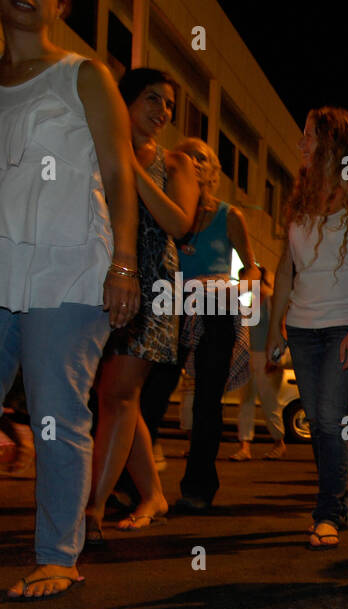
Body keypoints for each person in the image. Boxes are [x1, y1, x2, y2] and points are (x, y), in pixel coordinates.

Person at [1, 0, 139, 598]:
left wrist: (125, 264)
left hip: (68, 265)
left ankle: (57, 553)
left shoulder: (84, 74)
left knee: (56, 410)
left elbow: (119, 170)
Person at [84, 68, 198, 537]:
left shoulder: (175, 164)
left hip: (154, 286)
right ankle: (152, 492)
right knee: (111, 397)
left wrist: (130, 167)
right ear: (124, 102)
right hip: (97, 279)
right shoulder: (95, 145)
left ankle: (91, 508)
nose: (163, 112)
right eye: (152, 99)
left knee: (118, 395)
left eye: (168, 105)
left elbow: (178, 223)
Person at [266, 107, 348, 548]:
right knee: (321, 420)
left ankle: (329, 510)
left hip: (345, 325)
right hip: (303, 328)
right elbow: (286, 272)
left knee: (331, 416)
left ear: (331, 143)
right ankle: (333, 504)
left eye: (307, 136)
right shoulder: (300, 200)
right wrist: (275, 329)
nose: (300, 144)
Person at [162, 136, 258, 514]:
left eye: (201, 157)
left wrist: (240, 289)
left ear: (213, 170)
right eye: (185, 155)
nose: (194, 162)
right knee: (154, 388)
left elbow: (251, 267)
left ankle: (198, 487)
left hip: (216, 306)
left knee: (206, 399)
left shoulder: (229, 215)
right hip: (170, 305)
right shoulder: (167, 211)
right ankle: (131, 484)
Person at [227, 267, 287, 461]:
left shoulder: (270, 300)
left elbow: (281, 330)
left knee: (269, 401)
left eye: (244, 279)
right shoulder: (250, 302)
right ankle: (244, 446)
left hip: (265, 356)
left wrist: (275, 358)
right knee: (245, 402)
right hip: (248, 356)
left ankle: (279, 442)